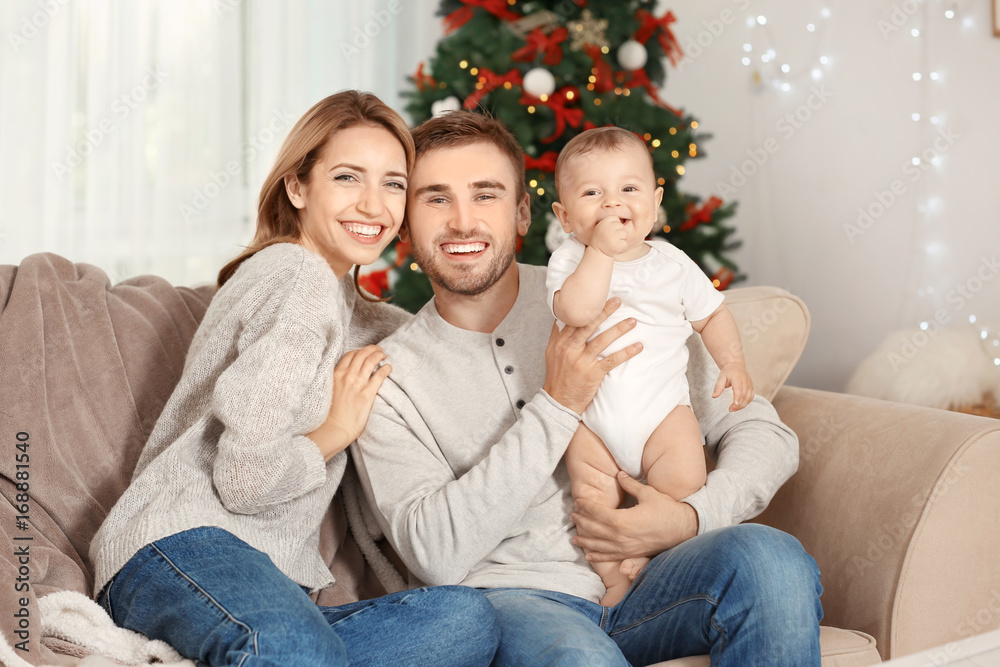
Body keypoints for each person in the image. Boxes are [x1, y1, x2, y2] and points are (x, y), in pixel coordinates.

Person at [352, 110, 824, 666]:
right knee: (582, 659)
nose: (462, 221)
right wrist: (558, 403)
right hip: (518, 601)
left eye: (486, 195)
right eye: (435, 198)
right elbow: (434, 552)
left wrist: (690, 517)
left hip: (656, 577)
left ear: (524, 212)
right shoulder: (387, 377)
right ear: (405, 223)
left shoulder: (614, 288)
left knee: (770, 558)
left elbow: (761, 430)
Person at [88, 92, 499, 667]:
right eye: (348, 177)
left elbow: (442, 349)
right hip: (181, 543)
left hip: (269, 585)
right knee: (292, 647)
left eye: (394, 184)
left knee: (463, 622)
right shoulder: (295, 275)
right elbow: (243, 480)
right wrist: (336, 428)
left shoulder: (359, 313)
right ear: (298, 188)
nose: (374, 205)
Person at [547, 126, 755, 606]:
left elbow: (713, 314)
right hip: (590, 421)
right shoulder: (570, 259)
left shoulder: (674, 264)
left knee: (684, 479)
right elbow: (574, 312)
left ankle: (654, 552)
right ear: (564, 216)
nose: (611, 203)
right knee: (590, 499)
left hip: (663, 413)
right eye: (592, 193)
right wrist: (599, 253)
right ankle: (613, 580)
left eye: (628, 188)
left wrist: (734, 363)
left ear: (655, 202)